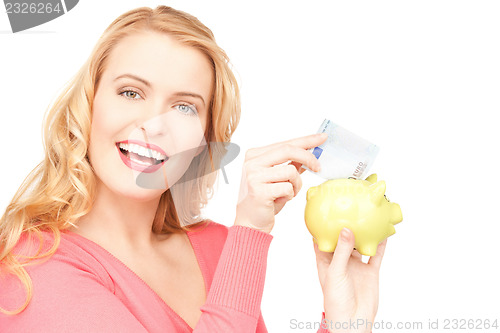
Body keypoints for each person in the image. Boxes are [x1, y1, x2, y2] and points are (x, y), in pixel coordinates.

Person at [0, 6, 386, 333]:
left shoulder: (218, 247)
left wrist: (343, 322)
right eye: (131, 92)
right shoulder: (32, 270)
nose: (153, 123)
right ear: (88, 106)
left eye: (185, 106)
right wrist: (250, 233)